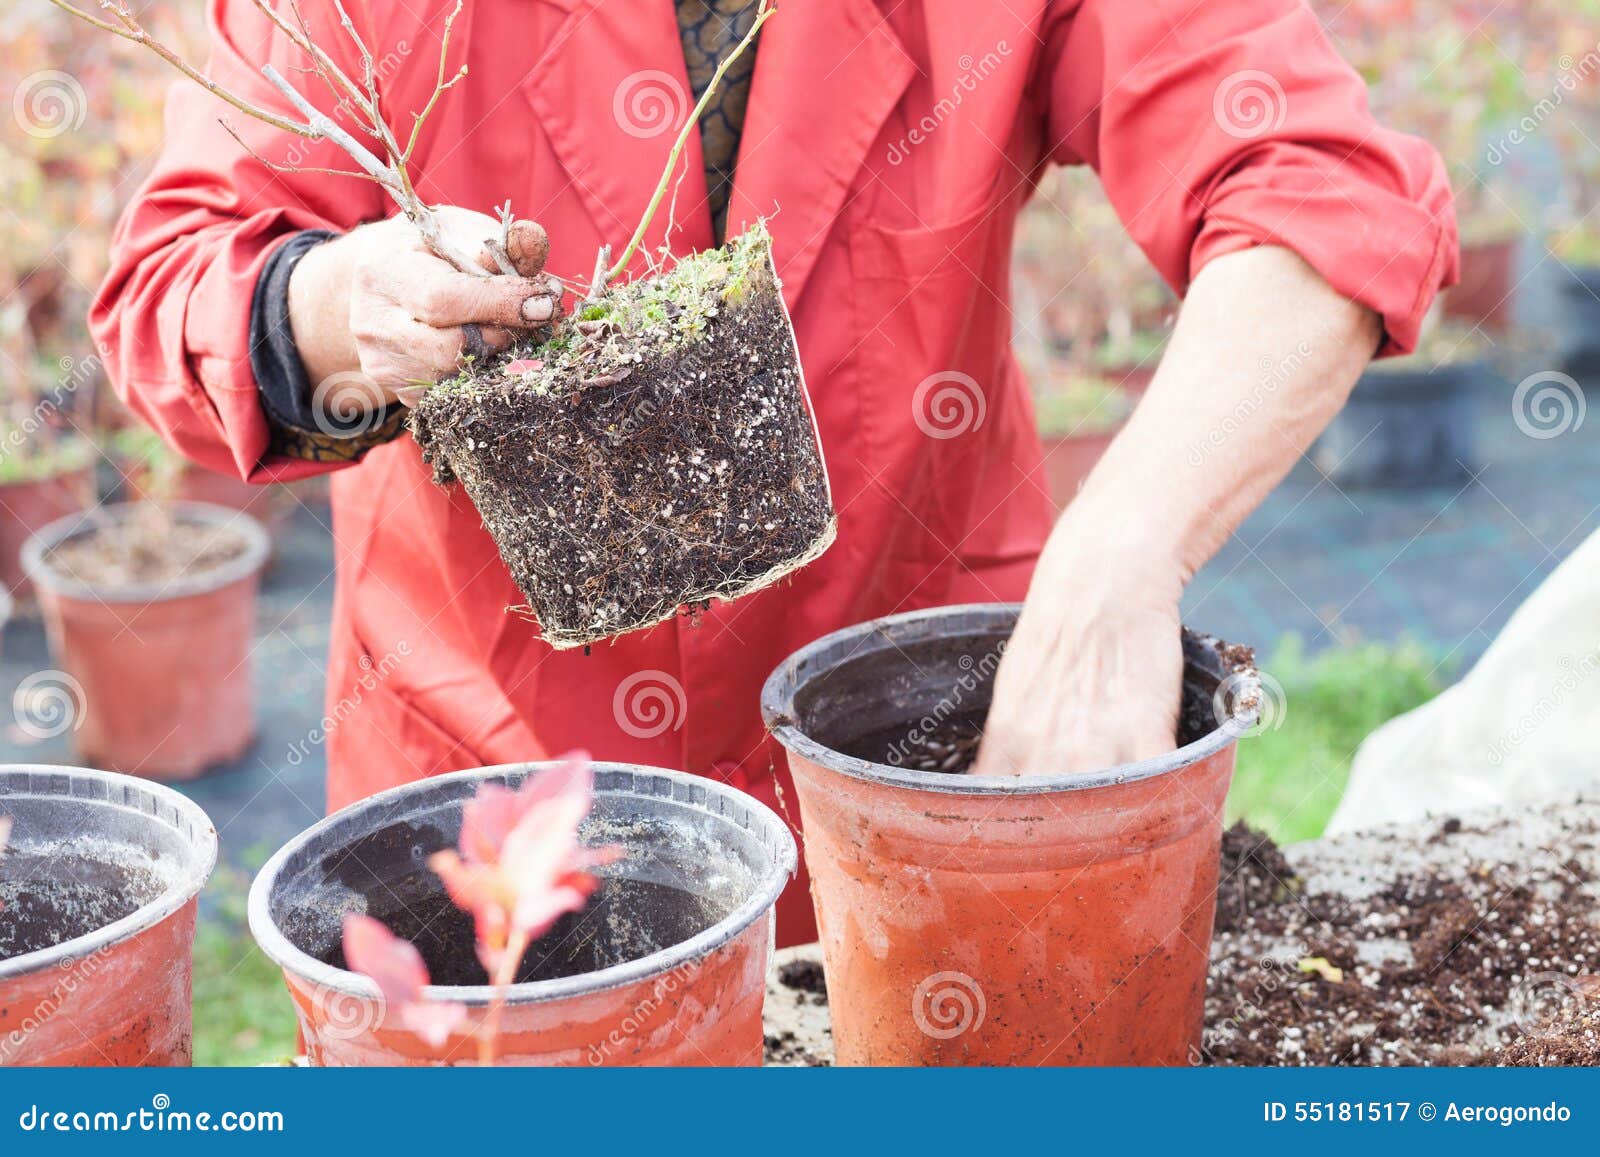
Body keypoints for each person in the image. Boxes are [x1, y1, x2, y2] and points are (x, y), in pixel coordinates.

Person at [94, 0, 1456, 945]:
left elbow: (1319, 189)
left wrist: (1116, 566)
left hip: (905, 773)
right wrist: (337, 307)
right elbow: (176, 285)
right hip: (490, 792)